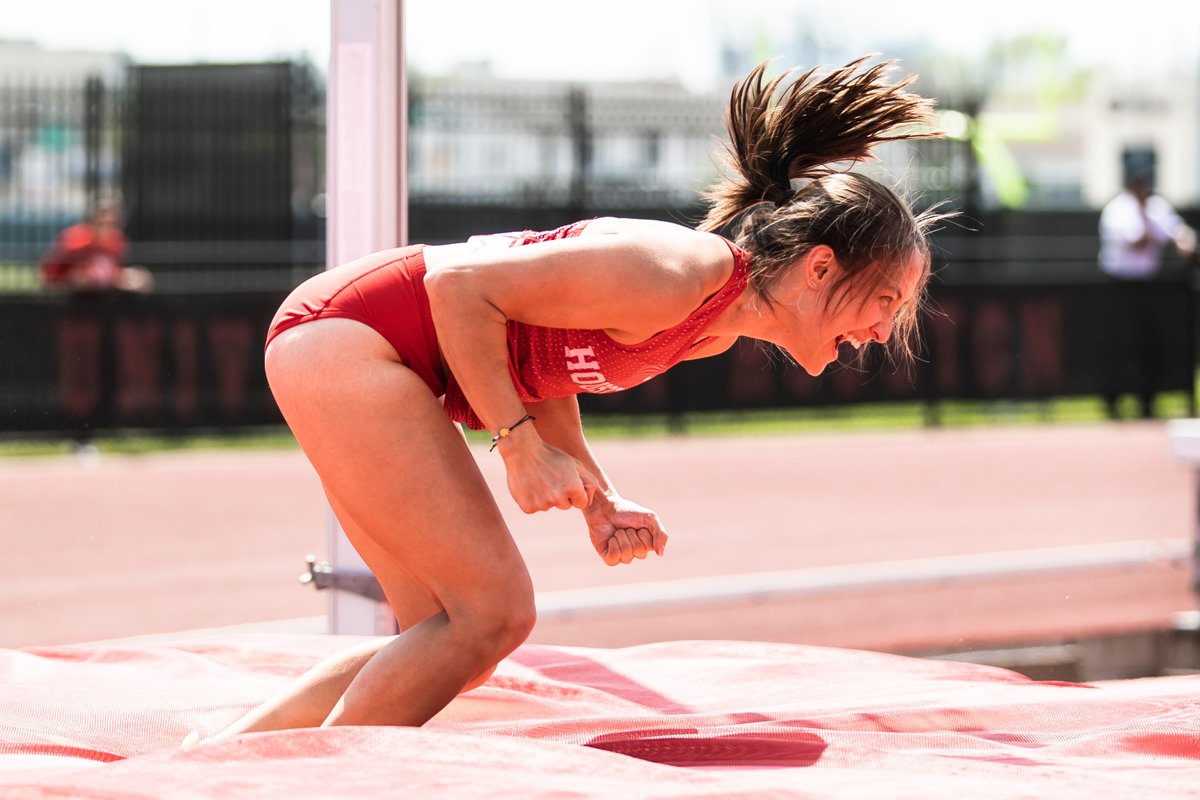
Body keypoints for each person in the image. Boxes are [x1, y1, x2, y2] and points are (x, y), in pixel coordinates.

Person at [193, 56, 948, 744]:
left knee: (447, 637)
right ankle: (300, 783)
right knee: (493, 615)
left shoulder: (711, 327)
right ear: (819, 267)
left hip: (347, 346)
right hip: (348, 339)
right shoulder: (678, 274)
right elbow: (458, 292)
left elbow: (543, 360)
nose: (884, 330)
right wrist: (517, 445)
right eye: (884, 299)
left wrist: (598, 496)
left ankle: (219, 763)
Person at [1098, 171, 1197, 418]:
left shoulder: (1157, 206)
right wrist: (1148, 220)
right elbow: (1138, 242)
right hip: (1119, 286)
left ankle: (1147, 403)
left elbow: (1180, 233)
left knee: (1150, 345)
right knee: (1120, 346)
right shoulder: (1117, 210)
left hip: (1148, 286)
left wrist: (1185, 241)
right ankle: (1114, 403)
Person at [39, 203, 153, 295]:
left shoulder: (117, 243)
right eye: (102, 224)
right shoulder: (75, 240)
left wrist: (129, 279)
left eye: (113, 224)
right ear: (93, 223)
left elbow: (112, 273)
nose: (107, 229)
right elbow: (50, 275)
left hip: (101, 299)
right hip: (71, 298)